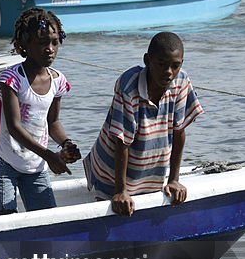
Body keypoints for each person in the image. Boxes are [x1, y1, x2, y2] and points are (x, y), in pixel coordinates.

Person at [83, 31, 204, 217]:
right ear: (147, 60)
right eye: (162, 65)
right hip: (111, 170)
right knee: (116, 208)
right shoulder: (128, 87)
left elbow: (179, 130)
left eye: (175, 66)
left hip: (148, 169)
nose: (169, 72)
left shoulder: (181, 81)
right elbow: (122, 141)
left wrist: (174, 179)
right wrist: (120, 191)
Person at [0, 8, 81, 216]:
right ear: (24, 46)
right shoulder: (11, 79)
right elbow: (14, 128)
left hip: (35, 164)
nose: (49, 49)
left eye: (54, 42)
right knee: (2, 221)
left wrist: (66, 144)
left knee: (46, 219)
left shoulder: (58, 81)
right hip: (5, 158)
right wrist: (50, 156)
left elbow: (53, 122)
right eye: (42, 43)